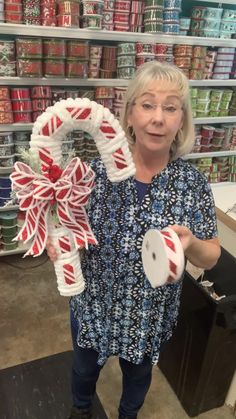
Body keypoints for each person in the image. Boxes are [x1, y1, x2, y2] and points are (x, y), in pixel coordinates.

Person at [47, 61, 221, 419]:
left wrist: (191, 244)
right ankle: (81, 410)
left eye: (171, 107)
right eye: (147, 104)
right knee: (83, 369)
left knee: (138, 377)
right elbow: (69, 232)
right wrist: (59, 245)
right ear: (127, 115)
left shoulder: (192, 185)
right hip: (93, 306)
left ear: (181, 122)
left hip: (148, 315)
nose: (158, 118)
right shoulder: (93, 175)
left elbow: (212, 257)